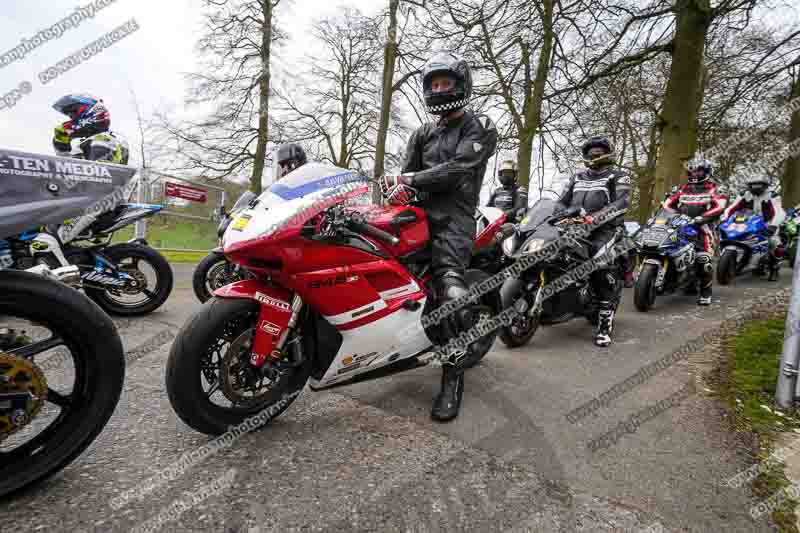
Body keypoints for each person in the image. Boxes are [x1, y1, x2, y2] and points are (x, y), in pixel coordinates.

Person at [378, 51, 498, 422]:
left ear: (462, 85)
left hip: (454, 219)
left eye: (446, 82)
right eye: (434, 84)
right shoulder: (421, 133)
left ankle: (452, 378)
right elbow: (406, 178)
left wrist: (409, 181)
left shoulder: (480, 125)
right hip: (416, 216)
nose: (440, 89)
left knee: (450, 290)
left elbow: (458, 169)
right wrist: (398, 191)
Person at [553, 136, 631, 347]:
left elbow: (621, 203)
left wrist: (595, 218)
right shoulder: (577, 177)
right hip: (574, 228)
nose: (594, 155)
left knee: (599, 265)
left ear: (608, 154)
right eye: (591, 152)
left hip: (605, 229)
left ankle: (604, 325)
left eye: (599, 152)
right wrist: (561, 213)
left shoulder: (619, 176)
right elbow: (560, 202)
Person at [50, 94, 130, 243]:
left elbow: (94, 177)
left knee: (44, 243)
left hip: (95, 204)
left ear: (90, 113)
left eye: (73, 115)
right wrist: (61, 144)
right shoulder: (91, 141)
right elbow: (65, 167)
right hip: (84, 202)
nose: (70, 120)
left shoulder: (104, 139)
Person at [662, 158, 726, 305]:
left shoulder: (715, 188)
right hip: (680, 226)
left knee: (703, 259)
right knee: (667, 250)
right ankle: (667, 282)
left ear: (707, 172)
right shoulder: (682, 188)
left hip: (704, 229)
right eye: (691, 171)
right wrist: (671, 216)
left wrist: (702, 218)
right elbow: (667, 204)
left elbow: (720, 207)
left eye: (698, 171)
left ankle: (705, 292)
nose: (694, 174)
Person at [723, 176, 785, 281]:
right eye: (753, 185)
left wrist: (773, 225)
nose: (756, 187)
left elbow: (779, 211)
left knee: (774, 242)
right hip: (748, 222)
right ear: (749, 185)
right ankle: (739, 260)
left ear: (765, 185)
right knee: (734, 236)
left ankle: (774, 268)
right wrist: (724, 219)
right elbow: (731, 208)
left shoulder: (772, 195)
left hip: (767, 223)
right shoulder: (744, 194)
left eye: (759, 184)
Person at [486, 159, 528, 223]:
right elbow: (488, 207)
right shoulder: (497, 191)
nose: (505, 175)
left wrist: (502, 216)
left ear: (515, 175)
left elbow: (519, 208)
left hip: (511, 224)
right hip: (494, 222)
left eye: (508, 173)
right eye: (503, 173)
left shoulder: (520, 190)